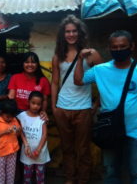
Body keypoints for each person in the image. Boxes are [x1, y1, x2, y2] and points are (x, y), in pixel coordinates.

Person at [74, 30, 137, 184]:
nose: (118, 50)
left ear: (132, 46)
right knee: (111, 172)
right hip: (109, 132)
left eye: (123, 46)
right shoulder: (101, 70)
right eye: (114, 47)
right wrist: (80, 59)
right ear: (109, 48)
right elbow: (79, 80)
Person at [51, 15, 102, 184]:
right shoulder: (58, 55)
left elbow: (104, 81)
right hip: (62, 108)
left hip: (83, 109)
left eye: (74, 31)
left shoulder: (91, 54)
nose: (71, 34)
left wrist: (96, 104)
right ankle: (69, 179)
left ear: (80, 33)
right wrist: (54, 107)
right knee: (67, 148)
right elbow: (54, 83)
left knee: (84, 149)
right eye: (67, 31)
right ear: (63, 34)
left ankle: (83, 180)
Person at [8, 51, 50, 183]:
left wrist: (42, 113)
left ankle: (35, 177)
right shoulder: (15, 77)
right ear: (22, 64)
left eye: (33, 61)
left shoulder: (43, 81)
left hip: (35, 117)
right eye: (27, 61)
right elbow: (10, 97)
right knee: (15, 147)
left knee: (33, 144)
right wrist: (11, 118)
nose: (30, 64)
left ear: (37, 64)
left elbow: (45, 100)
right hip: (17, 116)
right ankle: (18, 176)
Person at [18, 91, 50, 184]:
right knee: (27, 177)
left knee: (40, 177)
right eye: (33, 103)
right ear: (28, 102)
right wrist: (26, 146)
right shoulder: (21, 116)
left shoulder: (42, 118)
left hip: (40, 152)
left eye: (38, 104)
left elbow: (45, 134)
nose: (36, 106)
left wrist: (38, 151)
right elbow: (21, 133)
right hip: (27, 152)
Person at [0, 100, 22, 184]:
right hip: (1, 152)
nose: (10, 119)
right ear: (1, 112)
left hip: (13, 151)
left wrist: (18, 130)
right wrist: (5, 131)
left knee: (10, 175)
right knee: (0, 176)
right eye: (8, 116)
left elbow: (17, 134)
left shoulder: (14, 120)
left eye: (12, 116)